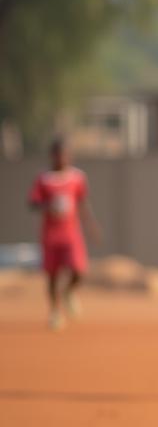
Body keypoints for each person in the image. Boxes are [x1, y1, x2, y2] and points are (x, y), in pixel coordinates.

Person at [28, 137, 101, 331]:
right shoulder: (44, 179)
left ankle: (68, 293)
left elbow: (83, 203)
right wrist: (49, 206)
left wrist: (91, 226)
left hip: (71, 233)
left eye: (66, 154)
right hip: (51, 234)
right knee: (52, 275)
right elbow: (33, 203)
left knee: (79, 270)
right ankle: (55, 312)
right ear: (53, 156)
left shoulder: (77, 177)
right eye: (59, 154)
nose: (63, 158)